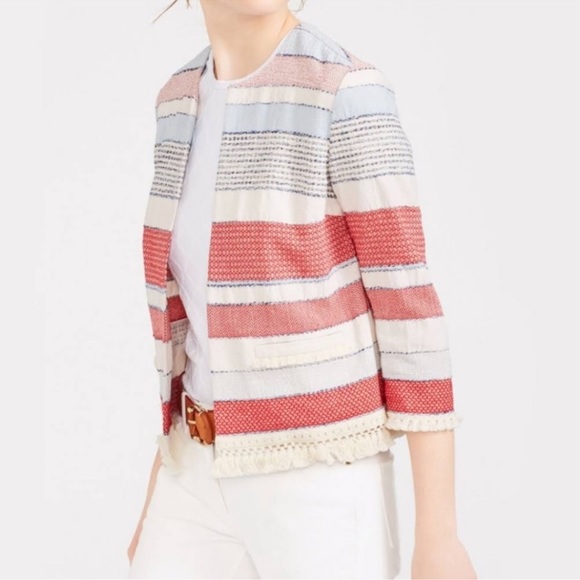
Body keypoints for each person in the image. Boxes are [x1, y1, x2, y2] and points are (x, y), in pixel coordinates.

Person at [127, 1, 477, 578]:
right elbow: (196, 326)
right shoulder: (177, 101)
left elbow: (408, 309)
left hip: (319, 479)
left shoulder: (344, 90)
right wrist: (160, 486)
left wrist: (439, 535)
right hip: (194, 472)